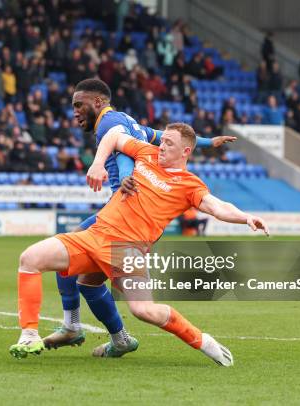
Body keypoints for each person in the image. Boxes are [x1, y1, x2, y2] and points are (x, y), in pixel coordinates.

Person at [9, 122, 269, 365]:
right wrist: (98, 163)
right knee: (30, 259)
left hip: (127, 250)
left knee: (143, 310)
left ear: (185, 151)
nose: (162, 146)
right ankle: (30, 335)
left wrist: (246, 217)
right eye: (162, 140)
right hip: (95, 235)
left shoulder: (190, 185)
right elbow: (114, 135)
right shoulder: (146, 153)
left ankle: (203, 340)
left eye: (169, 143)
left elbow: (217, 207)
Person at [43, 78, 237, 357]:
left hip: (125, 211)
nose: (74, 111)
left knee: (68, 256)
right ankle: (118, 339)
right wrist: (208, 142)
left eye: (78, 105)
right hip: (130, 213)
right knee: (88, 280)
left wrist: (124, 178)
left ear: (98, 102)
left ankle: (73, 326)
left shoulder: (108, 125)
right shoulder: (125, 120)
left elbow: (126, 151)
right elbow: (158, 135)